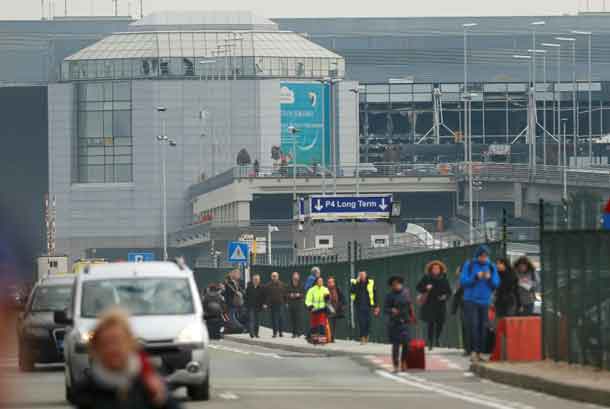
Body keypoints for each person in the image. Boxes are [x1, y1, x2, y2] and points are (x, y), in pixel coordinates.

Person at [72, 308, 180, 409]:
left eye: (117, 341)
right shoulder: (86, 392)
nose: (113, 349)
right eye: (105, 343)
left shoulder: (150, 384)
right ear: (96, 349)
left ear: (130, 344)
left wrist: (162, 399)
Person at [460, 245, 500, 362]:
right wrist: (475, 277)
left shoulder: (491, 266)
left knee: (483, 327)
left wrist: (489, 278)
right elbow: (463, 282)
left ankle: (481, 352)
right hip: (470, 300)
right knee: (473, 325)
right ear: (477, 256)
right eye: (481, 256)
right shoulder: (470, 265)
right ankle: (473, 351)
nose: (483, 258)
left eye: (485, 256)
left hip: (485, 301)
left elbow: (496, 283)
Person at [416, 260, 452, 350]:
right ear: (431, 269)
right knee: (431, 323)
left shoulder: (444, 279)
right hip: (430, 303)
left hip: (440, 304)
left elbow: (449, 292)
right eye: (434, 268)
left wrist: (445, 297)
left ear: (441, 270)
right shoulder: (426, 278)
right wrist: (425, 287)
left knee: (440, 323)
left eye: (438, 268)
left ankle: (437, 338)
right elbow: (418, 287)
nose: (436, 270)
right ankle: (430, 342)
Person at [383, 276, 413, 373]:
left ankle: (404, 362)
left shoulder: (406, 293)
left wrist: (412, 317)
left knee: (406, 344)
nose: (397, 286)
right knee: (396, 345)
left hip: (405, 321)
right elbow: (385, 309)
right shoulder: (389, 295)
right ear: (391, 286)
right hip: (394, 323)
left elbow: (410, 305)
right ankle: (396, 365)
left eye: (398, 283)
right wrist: (391, 310)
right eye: (394, 284)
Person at [350, 271, 379, 344]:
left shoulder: (371, 282)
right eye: (360, 275)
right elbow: (352, 291)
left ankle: (366, 335)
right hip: (359, 305)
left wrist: (376, 306)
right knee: (361, 322)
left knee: (368, 322)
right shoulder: (355, 282)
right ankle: (362, 337)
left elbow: (375, 294)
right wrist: (357, 282)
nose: (362, 276)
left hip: (368, 305)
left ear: (366, 275)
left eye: (363, 275)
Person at [451, 267, 470, 356]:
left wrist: (453, 309)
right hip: (466, 307)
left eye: (458, 271)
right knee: (466, 328)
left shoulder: (462, 281)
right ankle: (469, 349)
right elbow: (456, 296)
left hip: (468, 307)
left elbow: (456, 295)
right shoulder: (460, 281)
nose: (457, 273)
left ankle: (469, 349)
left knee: (467, 328)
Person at [305, 276, 330, 344]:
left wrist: (327, 298)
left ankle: (322, 340)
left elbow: (328, 300)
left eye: (321, 281)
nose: (320, 282)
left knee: (322, 325)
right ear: (316, 282)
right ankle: (314, 339)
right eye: (319, 281)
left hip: (322, 310)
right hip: (314, 310)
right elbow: (308, 300)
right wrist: (310, 306)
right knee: (314, 326)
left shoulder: (325, 289)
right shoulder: (312, 290)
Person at [265, 272, 287, 338]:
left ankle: (281, 332)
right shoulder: (268, 285)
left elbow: (285, 294)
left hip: (280, 304)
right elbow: (267, 296)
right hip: (272, 304)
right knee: (274, 319)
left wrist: (286, 302)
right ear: (271, 277)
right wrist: (266, 304)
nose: (274, 277)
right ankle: (275, 333)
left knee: (281, 319)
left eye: (275, 276)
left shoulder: (282, 284)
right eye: (273, 276)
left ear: (278, 277)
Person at [326, 276, 346, 343]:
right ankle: (328, 337)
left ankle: (332, 337)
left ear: (334, 283)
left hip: (336, 308)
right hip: (328, 309)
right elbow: (326, 301)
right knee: (328, 324)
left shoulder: (337, 289)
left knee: (333, 324)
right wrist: (331, 309)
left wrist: (342, 305)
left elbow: (342, 298)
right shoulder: (325, 290)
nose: (331, 283)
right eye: (329, 282)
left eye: (332, 282)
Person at [286, 272, 305, 338]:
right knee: (293, 319)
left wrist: (299, 295)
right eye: (294, 277)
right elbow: (286, 294)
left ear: (298, 277)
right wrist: (290, 295)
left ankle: (299, 333)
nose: (295, 278)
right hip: (291, 304)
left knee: (298, 319)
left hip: (299, 304)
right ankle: (294, 333)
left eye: (296, 277)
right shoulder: (289, 284)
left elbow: (303, 294)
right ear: (292, 277)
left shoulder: (302, 284)